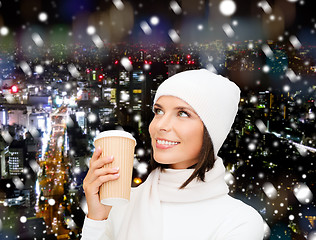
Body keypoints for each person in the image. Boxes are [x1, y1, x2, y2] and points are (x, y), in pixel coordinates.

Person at [81, 69, 264, 240]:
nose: (160, 125)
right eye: (159, 111)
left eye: (183, 113)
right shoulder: (120, 204)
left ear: (211, 132)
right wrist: (97, 219)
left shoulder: (238, 221)